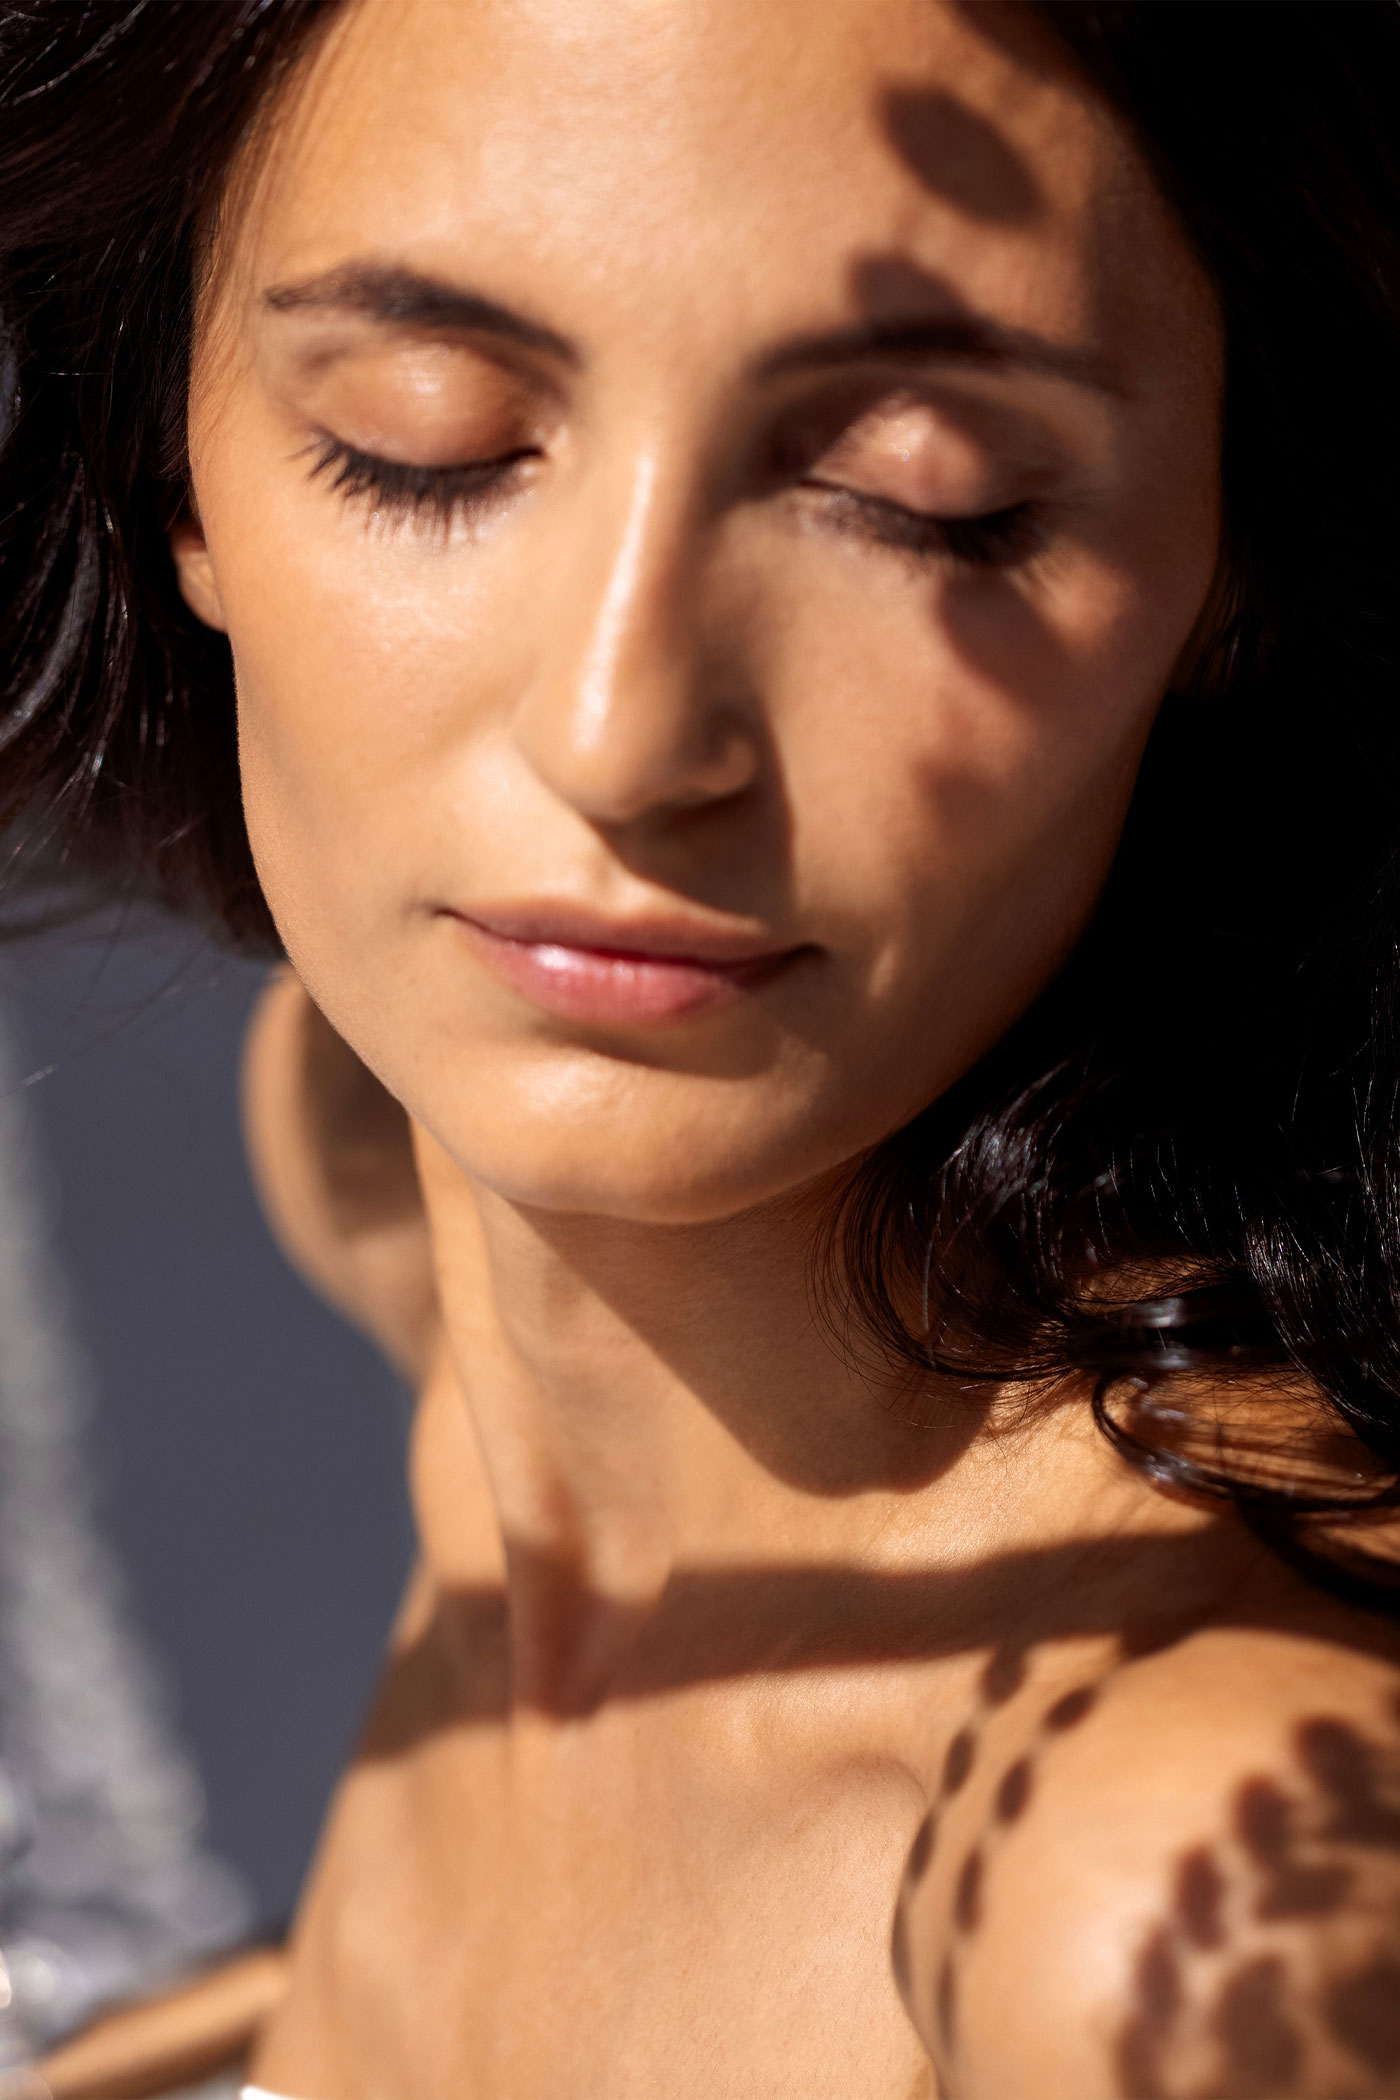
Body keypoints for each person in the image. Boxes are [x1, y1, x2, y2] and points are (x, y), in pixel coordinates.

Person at [4, 0, 1400, 2092]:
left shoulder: (1166, 1908)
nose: (623, 732)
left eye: (927, 501)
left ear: (1242, 558)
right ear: (167, 455)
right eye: (425, 435)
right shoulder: (384, 1160)